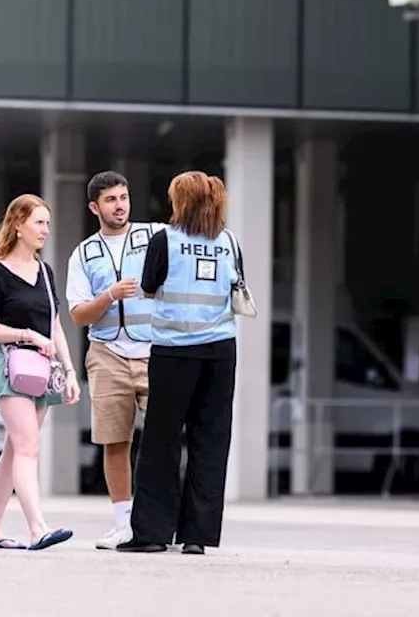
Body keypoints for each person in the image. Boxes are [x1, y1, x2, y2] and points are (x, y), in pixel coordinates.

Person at [116, 171, 241, 555]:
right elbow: (236, 287)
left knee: (161, 440)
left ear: (181, 202)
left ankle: (152, 533)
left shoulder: (165, 240)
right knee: (211, 440)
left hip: (173, 351)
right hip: (220, 351)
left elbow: (150, 286)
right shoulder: (229, 241)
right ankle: (197, 538)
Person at [0, 194, 82, 551]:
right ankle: (38, 528)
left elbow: (55, 326)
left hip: (40, 372)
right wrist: (25, 335)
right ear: (17, 225)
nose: (45, 230)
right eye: (38, 222)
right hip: (8, 367)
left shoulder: (46, 273)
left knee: (14, 450)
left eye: (47, 223)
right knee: (28, 446)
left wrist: (69, 370)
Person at [66, 171, 165, 548]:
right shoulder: (84, 253)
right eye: (110, 200)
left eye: (123, 197)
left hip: (155, 351)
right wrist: (109, 295)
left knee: (163, 441)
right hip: (107, 353)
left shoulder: (154, 235)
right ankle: (123, 522)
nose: (119, 205)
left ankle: (159, 519)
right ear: (95, 207)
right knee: (114, 442)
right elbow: (77, 315)